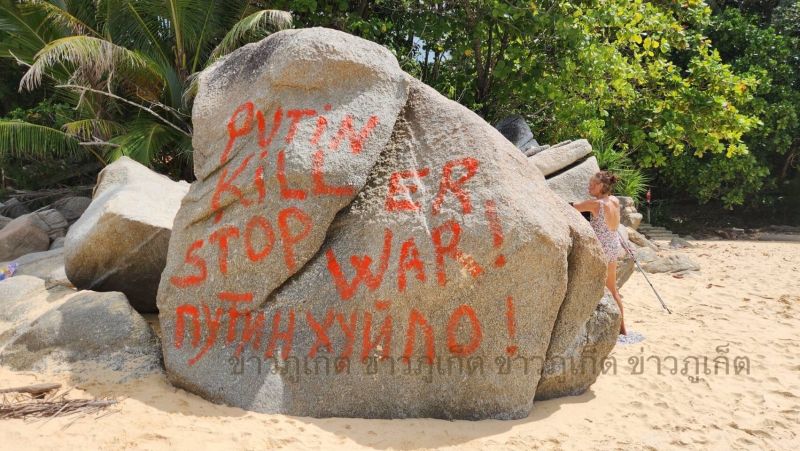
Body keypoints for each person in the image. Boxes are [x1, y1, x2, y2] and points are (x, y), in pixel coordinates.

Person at [572, 171, 626, 335]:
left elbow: (571, 207)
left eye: (593, 184)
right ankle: (623, 330)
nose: (589, 186)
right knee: (612, 289)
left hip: (601, 251)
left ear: (602, 186)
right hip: (612, 246)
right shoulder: (614, 200)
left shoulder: (596, 204)